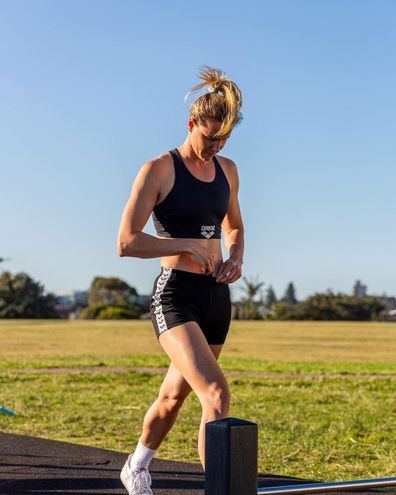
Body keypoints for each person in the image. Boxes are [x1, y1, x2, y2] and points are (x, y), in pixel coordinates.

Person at [116, 66, 244, 495]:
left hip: (216, 298)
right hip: (175, 296)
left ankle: (136, 465)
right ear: (191, 124)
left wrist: (237, 257)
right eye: (209, 137)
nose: (216, 146)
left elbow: (234, 227)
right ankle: (220, 489)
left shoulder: (227, 170)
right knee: (216, 394)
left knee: (174, 398)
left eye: (224, 139)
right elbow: (127, 242)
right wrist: (188, 245)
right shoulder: (158, 169)